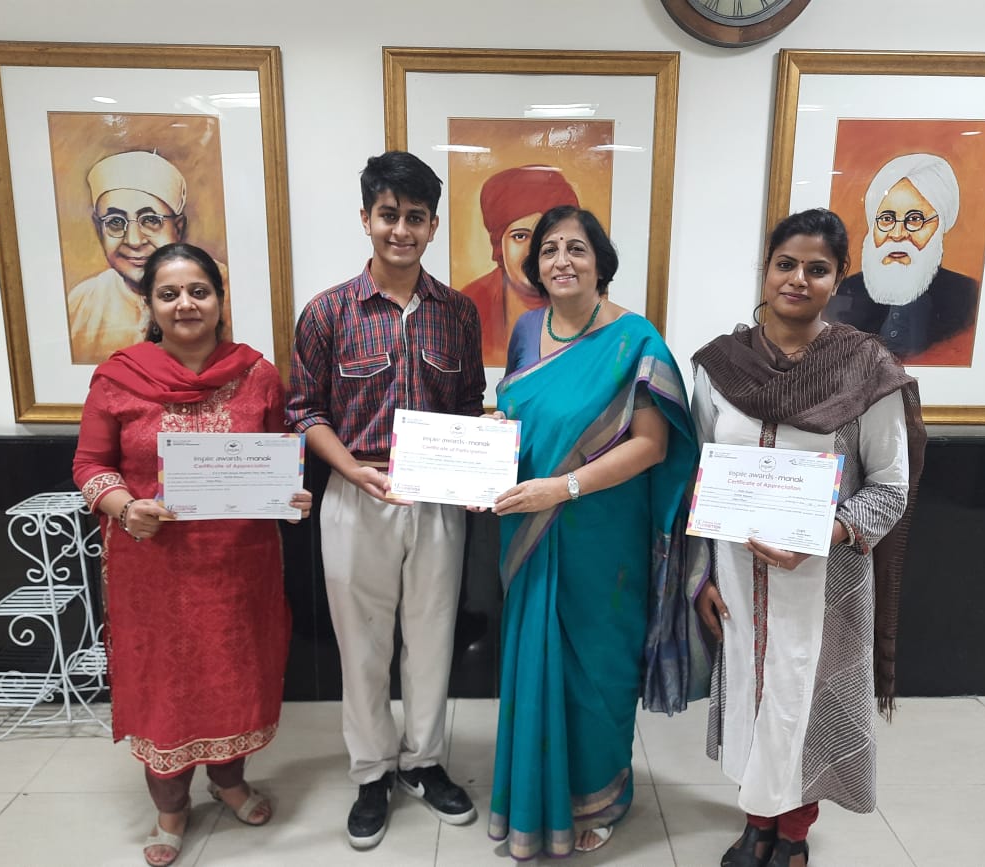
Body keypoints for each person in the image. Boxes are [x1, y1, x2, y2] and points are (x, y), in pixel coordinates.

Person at [690, 209, 926, 867]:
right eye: (785, 264)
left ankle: (792, 835)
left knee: (804, 704)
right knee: (752, 698)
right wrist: (701, 575)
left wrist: (823, 530)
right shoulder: (721, 366)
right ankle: (757, 823)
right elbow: (699, 474)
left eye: (816, 268)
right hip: (737, 576)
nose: (797, 279)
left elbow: (892, 487)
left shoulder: (866, 369)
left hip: (823, 579)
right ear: (765, 269)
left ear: (838, 278)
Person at [72, 242, 311, 867]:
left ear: (219, 300)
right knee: (165, 685)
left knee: (236, 673)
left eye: (199, 291)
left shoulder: (257, 375)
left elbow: (276, 458)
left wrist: (290, 495)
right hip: (153, 567)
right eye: (170, 293)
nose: (186, 304)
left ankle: (230, 783)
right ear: (149, 305)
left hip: (239, 566)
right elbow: (90, 464)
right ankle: (170, 807)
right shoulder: (118, 378)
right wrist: (125, 506)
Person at [286, 151, 485, 850]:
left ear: (433, 226)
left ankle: (423, 761)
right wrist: (350, 468)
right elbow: (305, 411)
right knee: (362, 644)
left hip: (437, 497)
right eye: (389, 215)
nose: (402, 230)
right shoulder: (327, 311)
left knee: (432, 635)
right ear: (366, 218)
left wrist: (477, 466)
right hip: (355, 489)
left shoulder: (458, 313)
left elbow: (469, 406)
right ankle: (372, 770)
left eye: (416, 217)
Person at [488, 205, 698, 858]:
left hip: (603, 539)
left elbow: (652, 445)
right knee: (536, 662)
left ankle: (600, 797)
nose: (562, 260)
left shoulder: (637, 340)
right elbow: (520, 409)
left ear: (600, 262)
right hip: (530, 528)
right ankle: (536, 795)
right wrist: (493, 433)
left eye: (576, 248)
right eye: (549, 249)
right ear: (535, 266)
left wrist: (564, 487)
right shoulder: (527, 331)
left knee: (597, 670)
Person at [66, 150, 229, 364]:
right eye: (115, 222)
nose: (134, 241)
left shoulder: (227, 289)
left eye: (151, 220)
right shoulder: (82, 303)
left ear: (178, 228)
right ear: (99, 229)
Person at [825, 153, 979, 365]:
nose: (897, 234)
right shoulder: (844, 291)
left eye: (914, 219)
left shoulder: (968, 296)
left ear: (940, 225)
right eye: (886, 219)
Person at [459, 165, 580, 367]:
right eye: (520, 236)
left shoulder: (588, 305)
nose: (533, 251)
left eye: (546, 236)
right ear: (499, 245)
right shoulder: (469, 305)